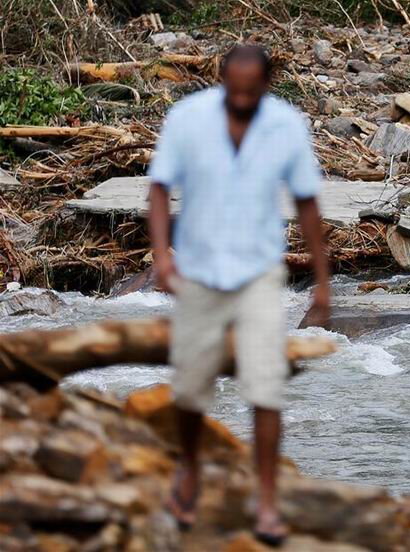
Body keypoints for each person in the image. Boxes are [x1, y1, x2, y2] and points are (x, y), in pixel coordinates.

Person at [147, 44, 330, 547]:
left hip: (258, 273)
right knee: (190, 387)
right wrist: (162, 256)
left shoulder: (286, 125)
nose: (242, 99)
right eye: (234, 90)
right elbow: (159, 188)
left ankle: (266, 499)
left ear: (266, 85)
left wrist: (322, 279)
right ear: (222, 80)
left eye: (252, 92)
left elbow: (307, 201)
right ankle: (189, 468)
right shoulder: (188, 118)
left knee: (266, 388)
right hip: (199, 271)